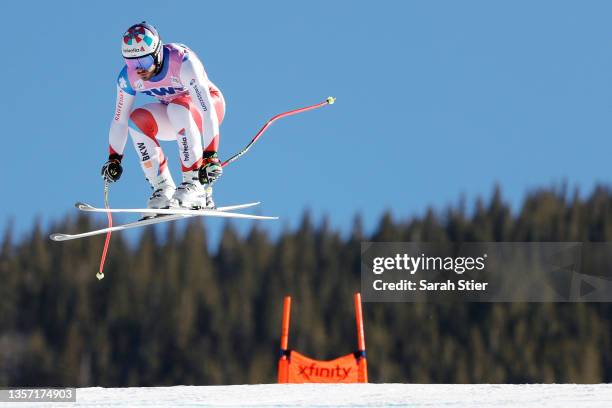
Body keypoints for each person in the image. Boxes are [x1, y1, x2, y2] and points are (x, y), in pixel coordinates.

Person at [101, 22, 225, 209]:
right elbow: (119, 121)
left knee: (177, 108)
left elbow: (207, 110)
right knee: (135, 121)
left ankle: (195, 185)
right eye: (131, 62)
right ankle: (163, 188)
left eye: (143, 61)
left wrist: (211, 155)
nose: (139, 69)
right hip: (175, 114)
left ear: (157, 53)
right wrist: (114, 159)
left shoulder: (182, 62)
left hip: (208, 107)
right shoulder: (128, 77)